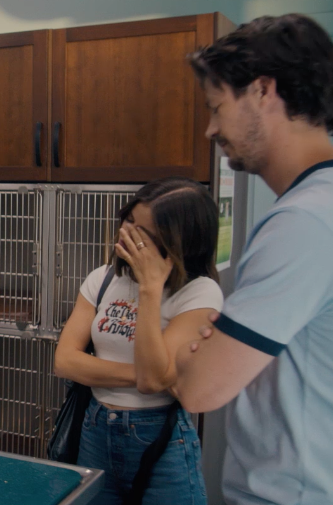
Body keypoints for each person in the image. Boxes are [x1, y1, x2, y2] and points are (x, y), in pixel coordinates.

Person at [172, 14, 333, 505]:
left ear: (263, 91)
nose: (210, 129)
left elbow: (199, 388)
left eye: (216, 106)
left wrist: (187, 348)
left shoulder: (306, 222)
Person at [55, 177, 223, 504]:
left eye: (142, 231)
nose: (126, 233)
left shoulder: (200, 293)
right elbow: (65, 361)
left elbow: (152, 381)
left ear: (176, 242)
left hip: (160, 436)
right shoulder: (101, 279)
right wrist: (152, 375)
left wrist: (150, 288)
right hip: (96, 426)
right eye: (128, 220)